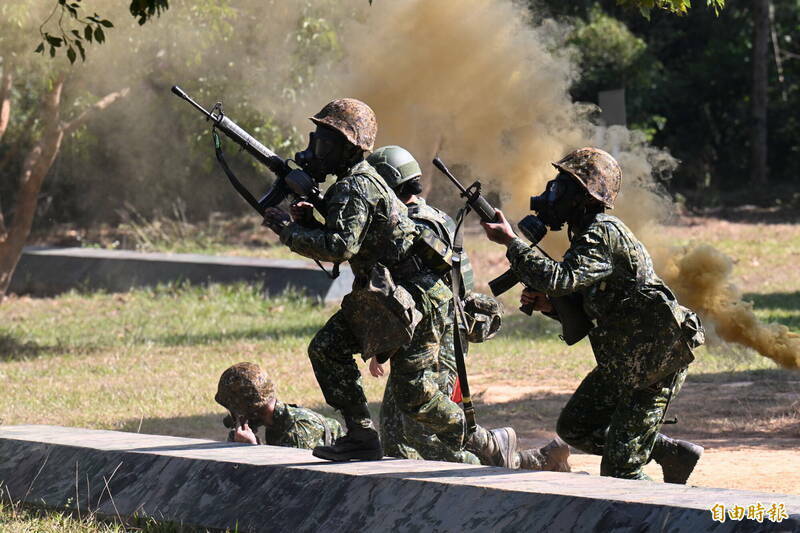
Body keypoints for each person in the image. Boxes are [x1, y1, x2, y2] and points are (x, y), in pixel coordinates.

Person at [261, 99, 516, 466]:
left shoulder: (358, 185)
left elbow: (340, 246)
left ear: (347, 146)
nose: (316, 146)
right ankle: (361, 435)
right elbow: (354, 240)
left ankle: (484, 442)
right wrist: (308, 226)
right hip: (389, 294)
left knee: (415, 395)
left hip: (420, 298)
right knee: (327, 349)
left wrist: (289, 232)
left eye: (324, 139)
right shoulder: (352, 185)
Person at [480, 147, 705, 483]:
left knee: (621, 470)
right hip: (625, 360)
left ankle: (681, 513)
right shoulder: (585, 236)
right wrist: (551, 307)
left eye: (563, 187)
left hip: (655, 362)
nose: (552, 193)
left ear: (584, 197)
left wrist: (511, 243)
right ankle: (666, 452)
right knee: (575, 427)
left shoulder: (602, 232)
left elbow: (559, 279)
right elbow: (596, 305)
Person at [366, 145, 570, 472]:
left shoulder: (418, 226)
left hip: (438, 337)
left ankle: (511, 464)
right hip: (422, 332)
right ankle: (533, 460)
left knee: (426, 435)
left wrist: (384, 345)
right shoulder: (419, 219)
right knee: (394, 432)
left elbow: (418, 293)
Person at [215, 362, 343, 449]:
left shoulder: (297, 431)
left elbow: (293, 483)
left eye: (234, 411)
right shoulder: (275, 423)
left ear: (250, 410)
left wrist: (252, 448)